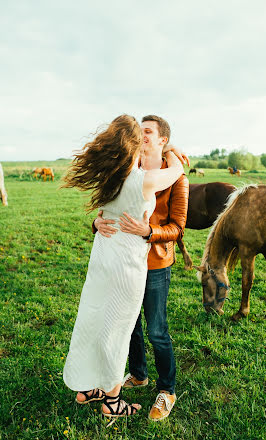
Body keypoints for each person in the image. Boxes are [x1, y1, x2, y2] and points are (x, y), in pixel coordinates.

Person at [62, 114, 184, 418]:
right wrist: (95, 222)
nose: (143, 136)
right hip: (125, 265)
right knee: (124, 330)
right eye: (139, 132)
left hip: (130, 262)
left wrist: (147, 232)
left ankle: (160, 390)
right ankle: (125, 388)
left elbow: (178, 227)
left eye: (149, 132)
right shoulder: (136, 175)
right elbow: (109, 212)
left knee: (139, 328)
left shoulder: (127, 176)